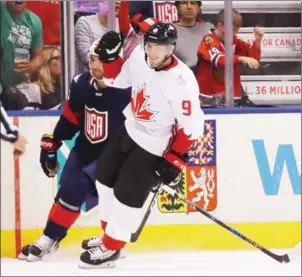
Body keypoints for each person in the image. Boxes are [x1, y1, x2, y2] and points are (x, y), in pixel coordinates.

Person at [79, 22, 205, 268]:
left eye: (160, 47)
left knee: (128, 193)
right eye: (150, 45)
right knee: (104, 177)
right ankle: (109, 236)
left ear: (171, 48)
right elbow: (116, 80)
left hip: (155, 143)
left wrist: (175, 159)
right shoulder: (139, 56)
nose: (153, 52)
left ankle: (112, 247)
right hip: (130, 128)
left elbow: (192, 127)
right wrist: (111, 57)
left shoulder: (183, 81)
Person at [17, 40, 130, 262]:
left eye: (98, 59)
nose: (93, 63)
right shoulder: (81, 83)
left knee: (105, 201)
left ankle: (111, 242)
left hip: (114, 156)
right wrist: (54, 141)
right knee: (69, 191)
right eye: (92, 58)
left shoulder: (131, 89)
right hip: (85, 150)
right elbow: (70, 118)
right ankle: (50, 238)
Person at [196, 9, 263, 106]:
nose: (235, 33)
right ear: (219, 26)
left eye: (237, 30)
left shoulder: (235, 41)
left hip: (231, 95)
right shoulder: (208, 39)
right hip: (208, 97)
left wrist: (257, 42)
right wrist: (240, 58)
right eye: (232, 30)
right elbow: (219, 59)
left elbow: (253, 60)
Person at [0, 1, 43, 87]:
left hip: (20, 86)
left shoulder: (34, 21)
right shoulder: (2, 10)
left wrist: (31, 66)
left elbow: (38, 56)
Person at [173, 1, 214, 71]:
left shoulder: (208, 28)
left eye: (192, 3)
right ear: (177, 8)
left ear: (198, 8)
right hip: (181, 76)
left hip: (207, 75)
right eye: (184, 3)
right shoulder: (168, 29)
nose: (189, 7)